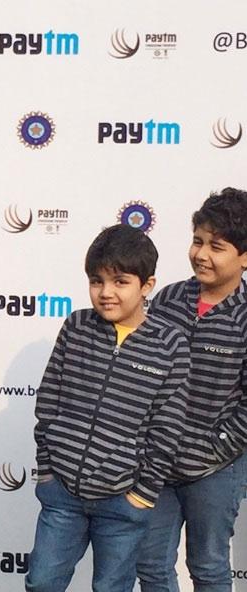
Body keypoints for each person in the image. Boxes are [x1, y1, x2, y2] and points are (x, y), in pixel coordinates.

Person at [25, 224, 190, 592]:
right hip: (62, 495)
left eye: (120, 281)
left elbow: (166, 427)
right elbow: (48, 401)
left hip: (122, 501)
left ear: (147, 286)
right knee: (41, 582)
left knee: (112, 587)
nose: (106, 293)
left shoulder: (169, 344)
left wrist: (142, 494)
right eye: (96, 281)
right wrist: (48, 470)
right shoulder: (76, 327)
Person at [137, 188, 247, 592]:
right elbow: (142, 374)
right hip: (157, 466)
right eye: (197, 241)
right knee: (149, 565)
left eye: (216, 246)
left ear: (244, 257)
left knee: (209, 567)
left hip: (216, 469)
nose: (201, 254)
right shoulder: (166, 300)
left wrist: (210, 449)